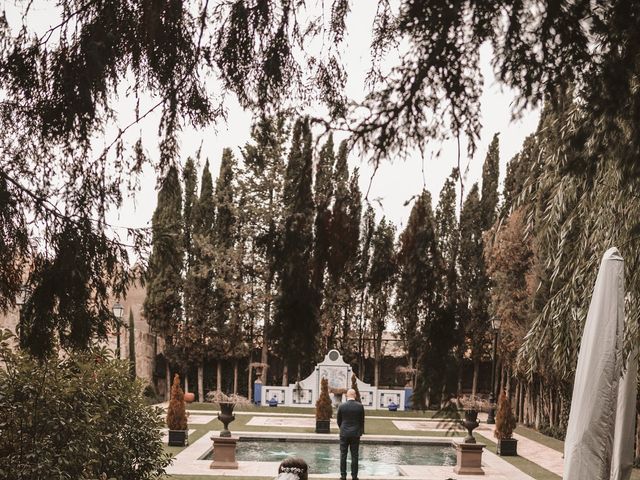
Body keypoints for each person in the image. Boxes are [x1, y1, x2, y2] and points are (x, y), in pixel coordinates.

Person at [337, 388, 365, 480]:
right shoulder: (360, 406)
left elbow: (339, 420)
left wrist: (342, 429)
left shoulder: (342, 406)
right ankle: (354, 476)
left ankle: (343, 476)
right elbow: (362, 421)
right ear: (355, 395)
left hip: (344, 433)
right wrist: (360, 431)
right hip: (355, 434)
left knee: (343, 455)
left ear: (347, 395)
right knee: (355, 455)